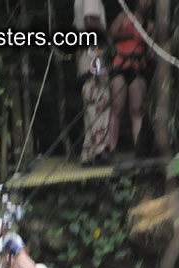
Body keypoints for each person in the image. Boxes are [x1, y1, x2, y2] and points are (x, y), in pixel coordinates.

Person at [108, 0, 153, 154]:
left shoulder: (150, 25)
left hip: (137, 69)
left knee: (137, 110)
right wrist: (128, 33)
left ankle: (138, 149)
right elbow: (111, 33)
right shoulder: (124, 16)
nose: (147, 3)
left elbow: (150, 51)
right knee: (116, 108)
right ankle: (110, 149)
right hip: (120, 66)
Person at [74, 0, 114, 167]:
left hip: (86, 54)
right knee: (99, 100)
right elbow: (90, 20)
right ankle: (100, 150)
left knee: (90, 105)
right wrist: (108, 36)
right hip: (93, 51)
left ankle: (88, 152)